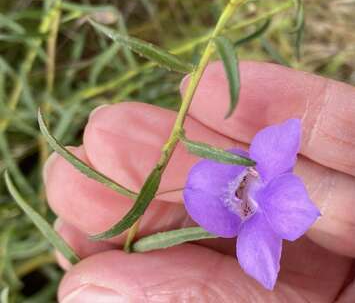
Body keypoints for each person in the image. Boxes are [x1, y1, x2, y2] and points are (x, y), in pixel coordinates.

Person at [43, 61, 355, 302]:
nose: (245, 193)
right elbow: (207, 186)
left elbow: (290, 211)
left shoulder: (261, 235)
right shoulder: (256, 224)